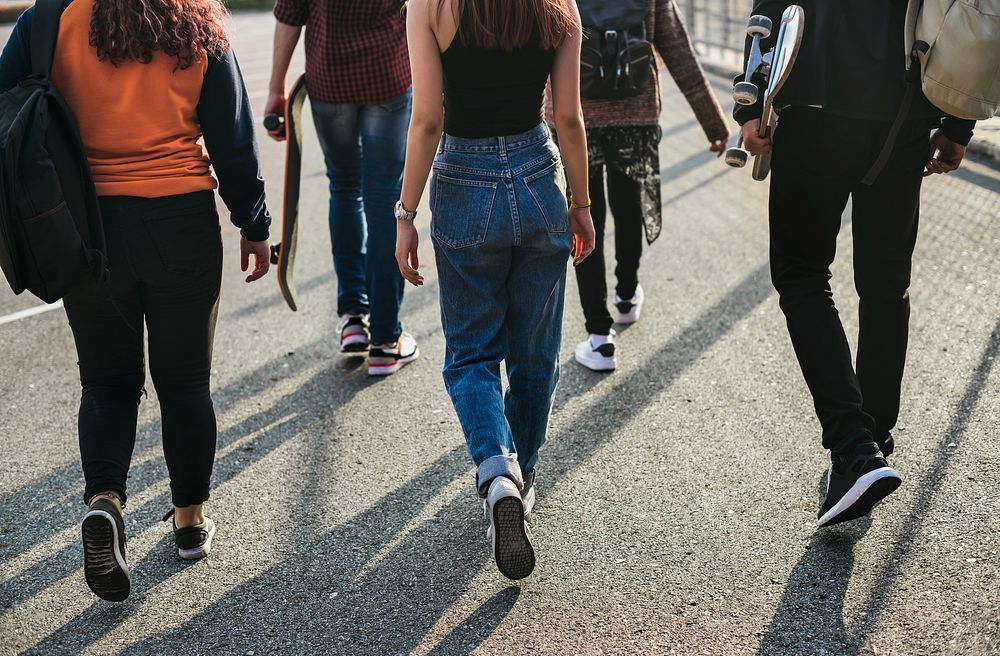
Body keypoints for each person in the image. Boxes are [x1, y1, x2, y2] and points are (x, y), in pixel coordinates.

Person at [0, 0, 272, 601]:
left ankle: (104, 503)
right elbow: (231, 137)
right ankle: (189, 522)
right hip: (181, 224)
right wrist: (253, 221)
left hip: (85, 229)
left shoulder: (48, 20)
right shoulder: (196, 21)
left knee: (106, 382)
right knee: (185, 382)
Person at [736, 0, 975, 527]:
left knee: (800, 275)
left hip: (813, 100)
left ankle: (854, 449)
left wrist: (749, 104)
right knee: (886, 285)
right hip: (905, 109)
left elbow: (768, 14)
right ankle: (871, 446)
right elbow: (961, 11)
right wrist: (958, 123)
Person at [397, 0, 594, 580]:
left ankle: (497, 472)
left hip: (463, 181)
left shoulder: (427, 7)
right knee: (535, 357)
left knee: (471, 357)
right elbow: (569, 118)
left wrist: (405, 212)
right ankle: (520, 479)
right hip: (537, 177)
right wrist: (579, 205)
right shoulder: (559, 7)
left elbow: (427, 119)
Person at [560, 0, 730, 372]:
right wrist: (713, 123)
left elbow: (542, 45)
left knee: (585, 216)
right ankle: (625, 295)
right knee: (629, 205)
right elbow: (678, 49)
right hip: (635, 111)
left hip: (575, 115)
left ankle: (599, 337)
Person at [268, 0, 419, 376]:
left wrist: (276, 87)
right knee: (386, 196)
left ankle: (354, 318)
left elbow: (289, 15)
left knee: (345, 187)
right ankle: (385, 340)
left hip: (330, 81)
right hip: (389, 76)